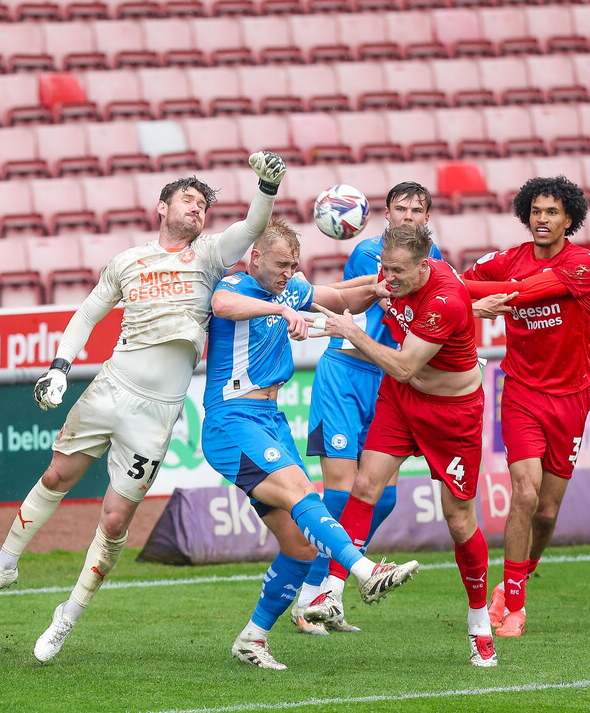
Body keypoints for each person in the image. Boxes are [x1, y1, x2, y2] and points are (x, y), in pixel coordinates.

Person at [0, 153, 288, 662]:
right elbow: (89, 311)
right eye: (189, 199)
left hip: (157, 413)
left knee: (116, 522)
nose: (197, 209)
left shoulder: (208, 256)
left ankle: (66, 616)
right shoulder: (128, 261)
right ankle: (2, 565)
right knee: (55, 478)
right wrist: (59, 366)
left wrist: (266, 189)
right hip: (110, 388)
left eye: (204, 205)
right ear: (162, 207)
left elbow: (250, 227)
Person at [202, 219, 419, 670]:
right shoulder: (234, 284)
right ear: (256, 257)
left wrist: (383, 287)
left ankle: (252, 639)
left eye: (294, 266)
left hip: (269, 420)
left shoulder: (289, 288)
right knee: (305, 495)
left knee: (300, 546)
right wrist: (280, 311)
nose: (288, 274)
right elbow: (221, 306)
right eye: (281, 265)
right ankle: (363, 572)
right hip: (232, 420)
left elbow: (341, 299)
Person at [309, 223, 497, 668]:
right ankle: (332, 593)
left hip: (452, 414)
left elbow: (404, 365)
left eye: (397, 272)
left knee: (458, 519)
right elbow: (352, 291)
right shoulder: (395, 279)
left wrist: (350, 333)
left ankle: (479, 622)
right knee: (364, 488)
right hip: (403, 402)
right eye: (384, 268)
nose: (387, 279)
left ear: (424, 263)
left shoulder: (444, 300)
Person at [294, 181, 442, 635]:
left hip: (390, 378)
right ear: (386, 214)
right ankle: (312, 596)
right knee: (340, 491)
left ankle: (328, 590)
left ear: (427, 216)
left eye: (418, 209)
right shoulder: (369, 252)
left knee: (386, 495)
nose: (409, 216)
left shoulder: (434, 260)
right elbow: (394, 293)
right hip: (346, 372)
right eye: (401, 208)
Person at [461, 176, 590, 639]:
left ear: (569, 219)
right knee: (524, 494)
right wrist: (484, 293)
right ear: (527, 215)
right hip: (520, 392)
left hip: (572, 398)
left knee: (546, 511)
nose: (543, 219)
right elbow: (460, 286)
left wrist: (498, 294)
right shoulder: (506, 259)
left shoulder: (586, 264)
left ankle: (510, 584)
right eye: (536, 211)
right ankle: (514, 607)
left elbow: (527, 292)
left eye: (552, 212)